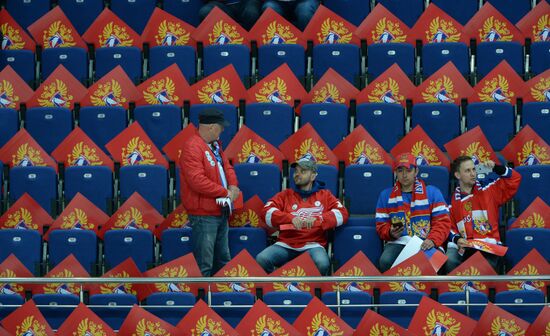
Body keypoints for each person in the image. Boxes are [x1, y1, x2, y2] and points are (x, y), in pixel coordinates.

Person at [256, 157, 348, 275]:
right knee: (262, 259)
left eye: (303, 171)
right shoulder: (286, 194)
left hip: (313, 244)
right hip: (286, 244)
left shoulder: (325, 195)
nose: (297, 174)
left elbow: (343, 213)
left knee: (323, 263)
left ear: (313, 176)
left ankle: (312, 291)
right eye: (296, 171)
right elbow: (266, 212)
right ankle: (277, 286)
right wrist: (290, 218)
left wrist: (319, 219)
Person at [180, 108, 240, 276]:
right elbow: (197, 181)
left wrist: (233, 186)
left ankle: (223, 297)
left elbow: (227, 167)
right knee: (204, 263)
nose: (223, 130)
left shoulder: (214, 145)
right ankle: (202, 301)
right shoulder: (192, 146)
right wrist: (225, 192)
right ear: (213, 127)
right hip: (204, 214)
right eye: (221, 127)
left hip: (219, 210)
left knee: (223, 260)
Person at [375, 153, 452, 272]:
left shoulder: (432, 192)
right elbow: (381, 225)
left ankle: (428, 291)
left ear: (416, 172)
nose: (404, 175)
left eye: (409, 170)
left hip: (426, 241)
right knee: (385, 261)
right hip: (399, 242)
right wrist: (390, 233)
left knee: (439, 264)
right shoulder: (385, 195)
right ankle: (396, 291)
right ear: (395, 173)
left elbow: (443, 222)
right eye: (400, 170)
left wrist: (432, 240)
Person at [445, 156, 521, 273]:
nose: (473, 174)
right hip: (464, 248)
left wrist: (496, 168)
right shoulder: (451, 202)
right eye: (467, 171)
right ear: (457, 175)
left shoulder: (489, 188)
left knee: (481, 265)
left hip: (488, 246)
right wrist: (457, 239)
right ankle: (457, 290)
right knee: (449, 260)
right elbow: (448, 227)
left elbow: (515, 178)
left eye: (474, 169)